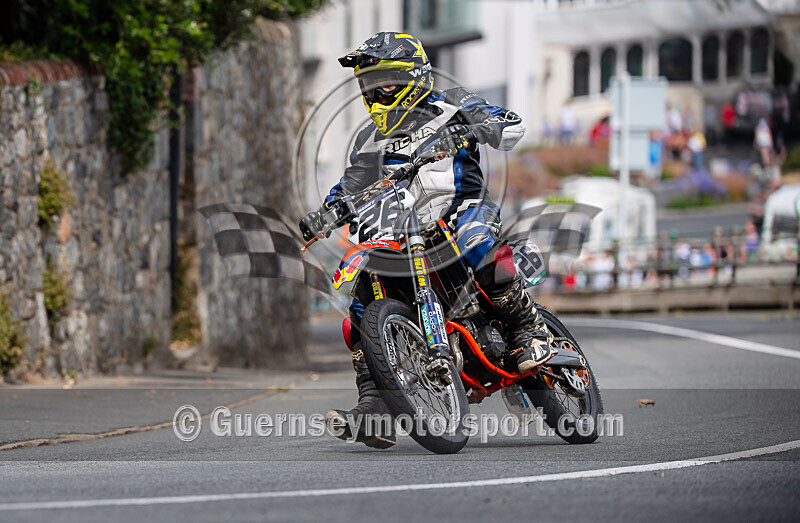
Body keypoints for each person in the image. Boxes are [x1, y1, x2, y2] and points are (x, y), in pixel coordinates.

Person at [299, 32, 556, 448]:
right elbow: (351, 185)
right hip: (404, 230)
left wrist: (484, 124)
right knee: (361, 296)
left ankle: (528, 329)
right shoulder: (368, 139)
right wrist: (325, 213)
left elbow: (510, 126)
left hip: (462, 210)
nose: (376, 91)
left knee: (477, 243)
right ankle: (375, 404)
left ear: (413, 78)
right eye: (369, 82)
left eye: (384, 80)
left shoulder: (450, 103)